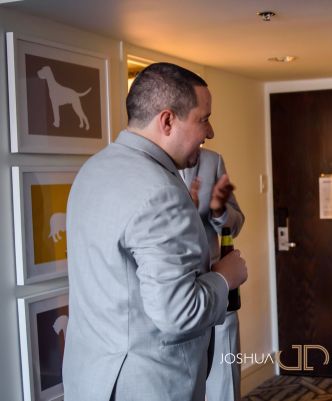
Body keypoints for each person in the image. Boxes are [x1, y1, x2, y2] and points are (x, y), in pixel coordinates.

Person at [63, 62, 248, 401]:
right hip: (147, 383)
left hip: (92, 378)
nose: (210, 132)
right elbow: (179, 313)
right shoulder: (160, 191)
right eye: (203, 119)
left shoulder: (92, 170)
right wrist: (225, 276)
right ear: (167, 121)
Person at [181, 148, 245, 401]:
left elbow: (236, 222)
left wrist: (219, 211)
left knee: (224, 382)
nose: (209, 132)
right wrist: (186, 212)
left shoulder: (212, 161)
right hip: (175, 294)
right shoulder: (148, 166)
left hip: (218, 290)